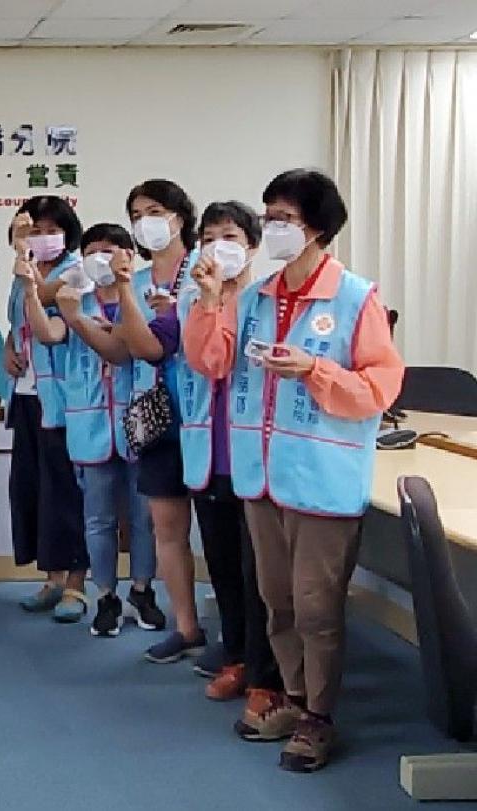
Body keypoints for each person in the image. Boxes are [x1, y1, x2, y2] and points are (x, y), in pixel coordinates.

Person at [184, 169, 404, 772]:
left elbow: (379, 388)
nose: (272, 226)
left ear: (317, 227)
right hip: (262, 478)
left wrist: (314, 369)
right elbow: (211, 361)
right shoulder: (254, 297)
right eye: (269, 215)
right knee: (277, 602)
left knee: (315, 607)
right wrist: (211, 300)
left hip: (323, 480)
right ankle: (294, 698)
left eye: (283, 217)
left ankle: (320, 716)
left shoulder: (355, 298)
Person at [119, 201, 283, 701]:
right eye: (209, 238)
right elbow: (171, 349)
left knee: (259, 573)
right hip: (207, 452)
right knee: (224, 564)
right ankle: (236, 656)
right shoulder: (192, 300)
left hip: (254, 454)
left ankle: (266, 671)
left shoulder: (268, 301)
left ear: (253, 246)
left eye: (230, 237)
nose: (218, 248)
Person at [49, 223, 164, 637]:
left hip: (140, 422)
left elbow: (128, 352)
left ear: (130, 255)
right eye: (92, 251)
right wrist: (33, 288)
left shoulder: (147, 298)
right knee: (97, 519)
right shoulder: (73, 299)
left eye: (111, 249)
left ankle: (142, 591)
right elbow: (45, 334)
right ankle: (106, 597)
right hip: (92, 423)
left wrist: (82, 321)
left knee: (144, 518)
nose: (102, 257)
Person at [112, 179, 207, 664]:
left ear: (179, 217)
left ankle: (237, 636)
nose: (144, 222)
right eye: (135, 214)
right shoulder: (138, 279)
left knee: (222, 530)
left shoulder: (204, 269)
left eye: (153, 211)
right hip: (155, 412)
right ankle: (186, 627)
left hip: (206, 416)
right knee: (166, 527)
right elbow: (129, 349)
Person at [5, 197, 89, 623]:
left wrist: (23, 255)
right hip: (26, 392)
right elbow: (17, 320)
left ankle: (76, 582)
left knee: (65, 491)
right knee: (33, 488)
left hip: (64, 398)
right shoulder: (24, 272)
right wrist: (8, 346)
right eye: (34, 230)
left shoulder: (77, 270)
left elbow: (43, 300)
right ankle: (52, 578)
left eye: (50, 230)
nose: (42, 238)